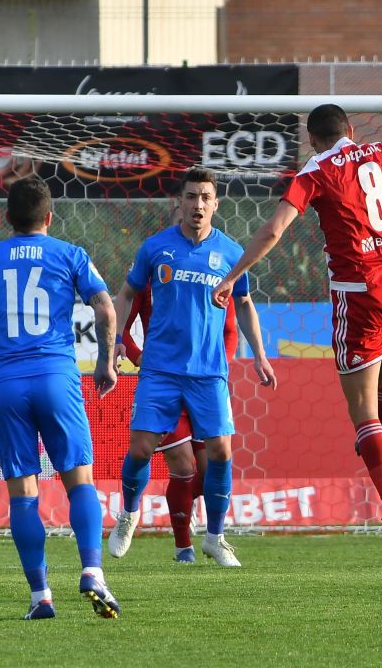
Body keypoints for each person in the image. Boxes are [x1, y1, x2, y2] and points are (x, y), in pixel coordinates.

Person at [212, 103, 382, 557]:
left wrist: (233, 276)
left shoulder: (314, 172)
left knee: (361, 410)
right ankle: (380, 445)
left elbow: (274, 231)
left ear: (311, 139)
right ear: (351, 130)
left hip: (360, 294)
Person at [0, 176, 121, 619]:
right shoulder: (70, 254)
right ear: (49, 217)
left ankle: (40, 597)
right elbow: (106, 307)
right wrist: (105, 362)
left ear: (6, 218)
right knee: (79, 481)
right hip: (56, 375)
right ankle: (92, 571)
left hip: (6, 381)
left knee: (23, 494)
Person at [108, 167, 276, 568]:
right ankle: (129, 514)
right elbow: (127, 292)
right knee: (141, 448)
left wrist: (260, 354)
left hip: (208, 372)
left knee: (221, 450)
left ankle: (215, 538)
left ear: (216, 204)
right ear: (178, 203)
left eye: (205, 197)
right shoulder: (155, 248)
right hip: (160, 371)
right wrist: (115, 339)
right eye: (190, 197)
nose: (197, 205)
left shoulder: (232, 253)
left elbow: (246, 305)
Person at [113, 259, 238, 563]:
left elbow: (230, 330)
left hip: (204, 383)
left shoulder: (216, 268)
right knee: (181, 465)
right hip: (164, 381)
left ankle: (213, 537)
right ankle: (183, 548)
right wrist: (140, 357)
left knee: (211, 466)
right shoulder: (154, 268)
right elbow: (123, 326)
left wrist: (219, 367)